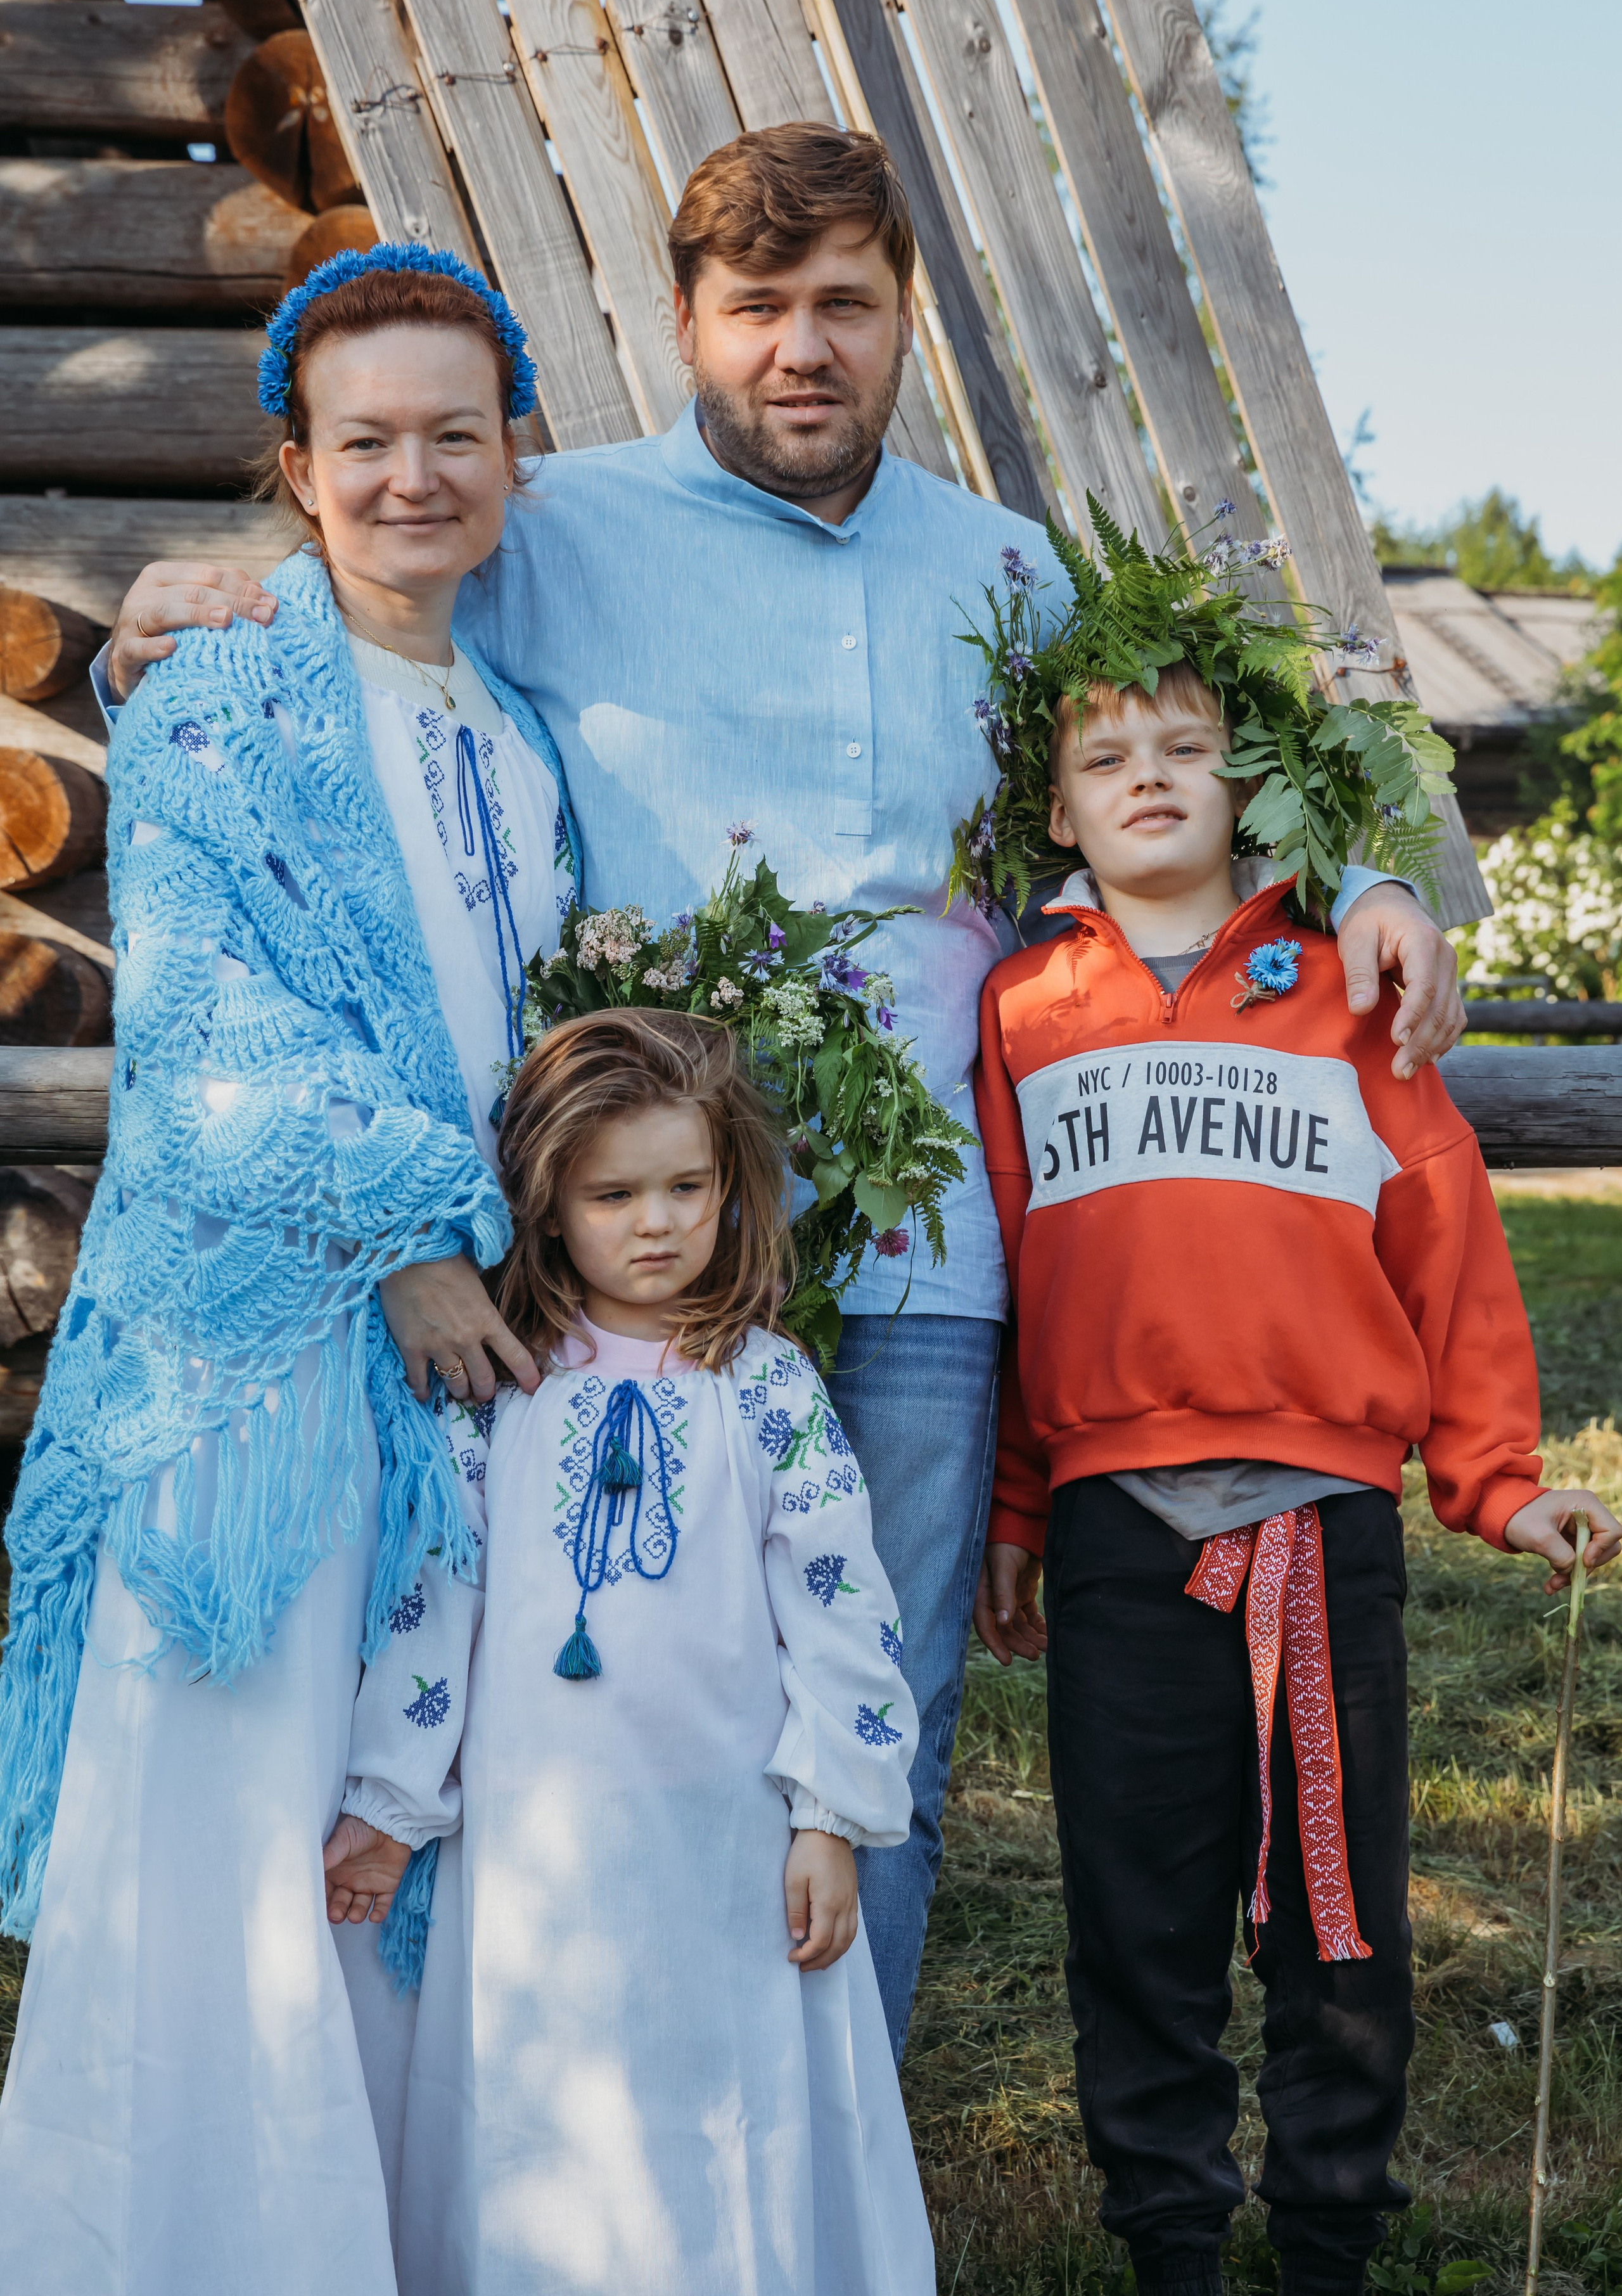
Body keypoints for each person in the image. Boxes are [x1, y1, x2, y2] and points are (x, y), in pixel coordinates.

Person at [94, 124, 1468, 2055]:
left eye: (845, 305)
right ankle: (592, 2122)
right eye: (758, 309)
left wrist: (1379, 872)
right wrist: (166, 623)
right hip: (618, 1240)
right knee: (593, 1684)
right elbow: (354, 629)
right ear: (684, 323)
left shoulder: (1011, 574)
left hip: (917, 1250)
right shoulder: (547, 526)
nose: (801, 349)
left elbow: (1214, 750)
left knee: (870, 1700)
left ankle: (834, 2160)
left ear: (903, 319)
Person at [0, 247, 584, 2296]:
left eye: (455, 434)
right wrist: (414, 1234)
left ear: (512, 454)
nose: (414, 476)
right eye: (367, 441)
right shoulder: (223, 692)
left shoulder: (523, 734)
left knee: (382, 1826)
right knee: (232, 1835)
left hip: (462, 1353)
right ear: (298, 467)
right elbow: (203, 1024)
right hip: (254, 1358)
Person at [968, 529, 1621, 2296]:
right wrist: (1017, 1512)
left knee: (1336, 1915)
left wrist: (1497, 1480)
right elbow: (1017, 1274)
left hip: (1320, 1524)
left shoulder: (1344, 980)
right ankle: (1171, 2241)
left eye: (1186, 746)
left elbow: (1445, 1231)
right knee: (1137, 1905)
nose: (1148, 776)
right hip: (1117, 1527)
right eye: (1105, 756)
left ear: (1249, 782)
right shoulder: (1022, 1007)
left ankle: (1331, 2233)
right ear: (1054, 810)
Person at [336, 1008, 933, 2295]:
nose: (656, 1223)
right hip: (537, 1847)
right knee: (549, 2106)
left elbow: (841, 1605)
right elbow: (438, 1604)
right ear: (550, 1208)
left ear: (730, 1186)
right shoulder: (499, 1390)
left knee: (713, 2100)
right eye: (614, 1196)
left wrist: (830, 1813)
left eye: (686, 1188)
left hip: (724, 1843)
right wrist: (391, 1800)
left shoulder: (764, 1387)